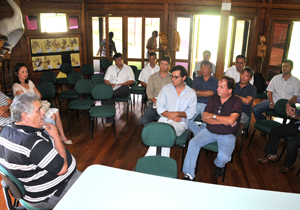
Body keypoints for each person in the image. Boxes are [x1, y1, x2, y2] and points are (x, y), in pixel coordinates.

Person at [0, 93, 81, 209]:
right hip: (50, 195)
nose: (43, 112)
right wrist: (56, 136)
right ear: (25, 116)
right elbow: (63, 169)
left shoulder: (6, 129)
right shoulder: (32, 143)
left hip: (32, 188)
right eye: (38, 110)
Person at [182, 76, 242, 180]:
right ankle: (189, 174)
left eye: (221, 87)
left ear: (230, 90)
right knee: (193, 143)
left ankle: (219, 165)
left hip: (228, 135)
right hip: (209, 131)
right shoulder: (213, 98)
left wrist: (213, 116)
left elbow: (231, 121)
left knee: (224, 158)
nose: (217, 89)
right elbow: (204, 117)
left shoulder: (237, 101)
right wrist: (225, 121)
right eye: (218, 86)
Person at [12, 63, 72, 144]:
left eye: (26, 71)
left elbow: (39, 95)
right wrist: (34, 98)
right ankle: (50, 140)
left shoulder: (29, 82)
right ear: (16, 73)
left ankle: (62, 136)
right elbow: (25, 102)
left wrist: (33, 99)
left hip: (38, 106)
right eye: (22, 72)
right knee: (53, 116)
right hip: (30, 111)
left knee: (56, 112)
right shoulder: (16, 86)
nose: (25, 74)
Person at [145, 65, 197, 157]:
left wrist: (177, 114)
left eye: (176, 77)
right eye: (172, 76)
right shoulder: (166, 89)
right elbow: (160, 106)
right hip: (164, 119)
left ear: (184, 78)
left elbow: (192, 112)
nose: (173, 79)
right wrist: (169, 115)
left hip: (179, 123)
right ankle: (159, 163)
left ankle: (150, 160)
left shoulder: (191, 93)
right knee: (161, 133)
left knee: (163, 133)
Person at [258, 96, 300, 173]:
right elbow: (295, 98)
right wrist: (288, 105)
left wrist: (294, 116)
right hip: (297, 124)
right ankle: (272, 156)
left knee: (291, 144)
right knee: (276, 131)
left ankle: (289, 165)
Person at [103, 53, 134, 127]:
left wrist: (122, 84)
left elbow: (132, 81)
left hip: (123, 89)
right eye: (116, 60)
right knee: (109, 98)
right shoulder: (110, 68)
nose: (117, 62)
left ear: (123, 60)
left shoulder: (128, 68)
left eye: (119, 60)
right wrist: (110, 85)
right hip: (113, 88)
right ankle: (109, 120)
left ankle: (108, 95)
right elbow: (106, 80)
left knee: (124, 88)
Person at [188, 60, 218, 136]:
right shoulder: (196, 79)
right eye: (201, 68)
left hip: (208, 105)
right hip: (196, 103)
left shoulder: (215, 81)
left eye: (205, 67)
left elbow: (211, 93)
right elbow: (193, 92)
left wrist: (198, 92)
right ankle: (200, 135)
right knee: (187, 120)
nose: (203, 69)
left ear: (210, 69)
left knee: (206, 123)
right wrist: (204, 93)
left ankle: (199, 136)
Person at [141, 56, 172, 126]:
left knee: (170, 121)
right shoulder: (152, 77)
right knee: (144, 121)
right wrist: (156, 102)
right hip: (155, 103)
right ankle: (153, 133)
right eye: (162, 64)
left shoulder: (172, 78)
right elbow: (149, 92)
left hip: (169, 104)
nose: (163, 66)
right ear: (159, 64)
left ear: (169, 66)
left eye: (165, 64)